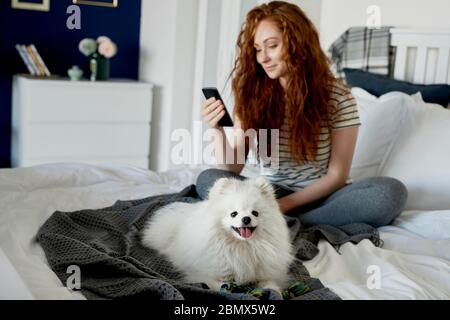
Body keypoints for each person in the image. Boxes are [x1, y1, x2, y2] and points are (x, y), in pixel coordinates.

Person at [197, 1, 407, 228]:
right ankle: (284, 222)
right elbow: (232, 169)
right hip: (267, 194)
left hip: (320, 198)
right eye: (258, 49)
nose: (263, 58)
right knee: (208, 180)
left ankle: (293, 222)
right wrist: (217, 130)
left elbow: (337, 176)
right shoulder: (252, 94)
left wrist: (281, 206)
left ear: (298, 43)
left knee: (390, 193)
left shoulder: (337, 97)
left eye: (272, 46)